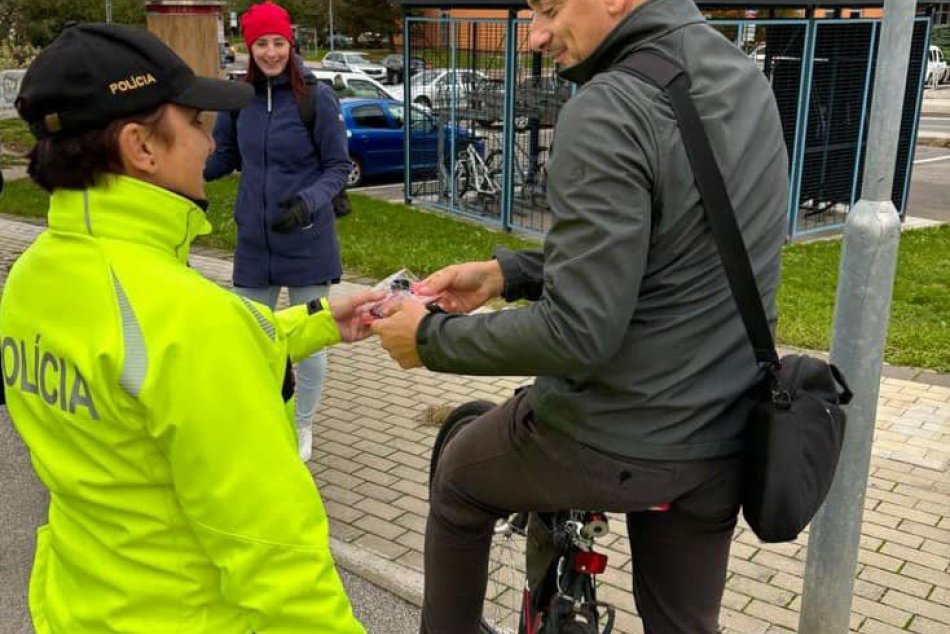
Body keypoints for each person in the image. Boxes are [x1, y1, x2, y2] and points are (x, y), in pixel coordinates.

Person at [371, 0, 789, 632]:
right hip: (725, 435)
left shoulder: (609, 106)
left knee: (459, 479)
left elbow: (576, 334)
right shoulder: (744, 78)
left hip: (616, 435)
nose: (534, 36)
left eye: (548, 9)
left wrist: (429, 339)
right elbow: (677, 245)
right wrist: (507, 273)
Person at [1, 22, 375, 633]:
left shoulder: (31, 277)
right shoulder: (188, 319)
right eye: (197, 125)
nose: (208, 144)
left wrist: (314, 322)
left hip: (75, 607)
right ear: (141, 147)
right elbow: (280, 565)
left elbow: (147, 366)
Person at [205, 1, 351, 462]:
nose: (271, 52)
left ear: (291, 44)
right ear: (249, 48)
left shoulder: (315, 97)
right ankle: (261, 417)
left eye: (278, 43)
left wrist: (307, 201)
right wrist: (181, 167)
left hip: (306, 236)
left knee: (308, 343)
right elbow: (222, 159)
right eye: (261, 44)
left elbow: (338, 166)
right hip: (255, 241)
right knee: (251, 339)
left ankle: (301, 424)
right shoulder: (238, 100)